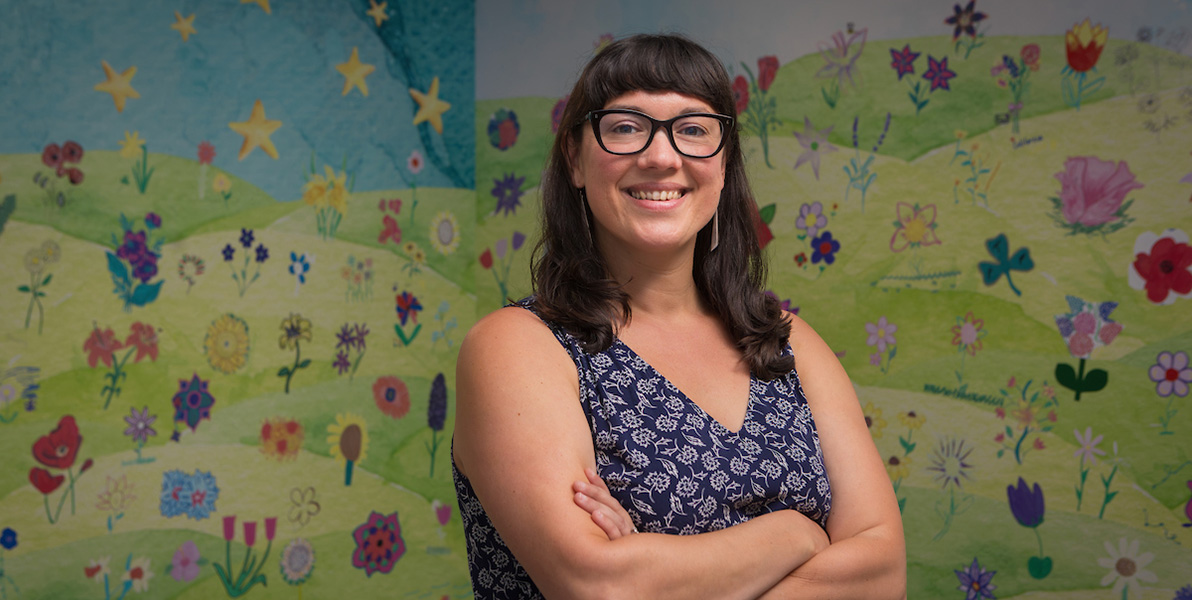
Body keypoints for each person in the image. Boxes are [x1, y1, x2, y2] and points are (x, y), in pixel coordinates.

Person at [452, 33, 904, 599]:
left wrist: (661, 568)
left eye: (693, 130)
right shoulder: (517, 347)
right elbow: (600, 586)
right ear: (574, 158)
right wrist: (797, 535)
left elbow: (883, 573)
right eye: (624, 127)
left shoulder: (787, 341)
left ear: (724, 163)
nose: (661, 157)